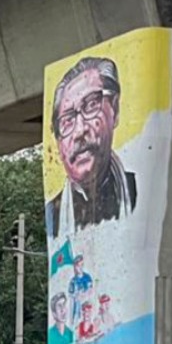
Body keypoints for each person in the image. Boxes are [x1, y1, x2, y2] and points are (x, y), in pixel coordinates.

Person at [45, 56, 136, 238]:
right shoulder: (53, 215)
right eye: (67, 121)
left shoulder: (142, 192)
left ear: (115, 109)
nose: (79, 131)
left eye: (92, 105)